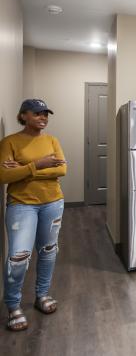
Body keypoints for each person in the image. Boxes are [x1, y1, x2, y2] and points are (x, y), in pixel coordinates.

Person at [0, 99, 67, 332]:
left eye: (45, 114)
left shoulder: (52, 140)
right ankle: (13, 306)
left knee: (48, 251)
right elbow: (3, 177)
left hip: (53, 203)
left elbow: (62, 169)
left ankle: (42, 295)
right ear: (23, 115)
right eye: (37, 113)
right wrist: (39, 165)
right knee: (19, 256)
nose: (43, 118)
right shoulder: (9, 142)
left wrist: (24, 170)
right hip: (21, 206)